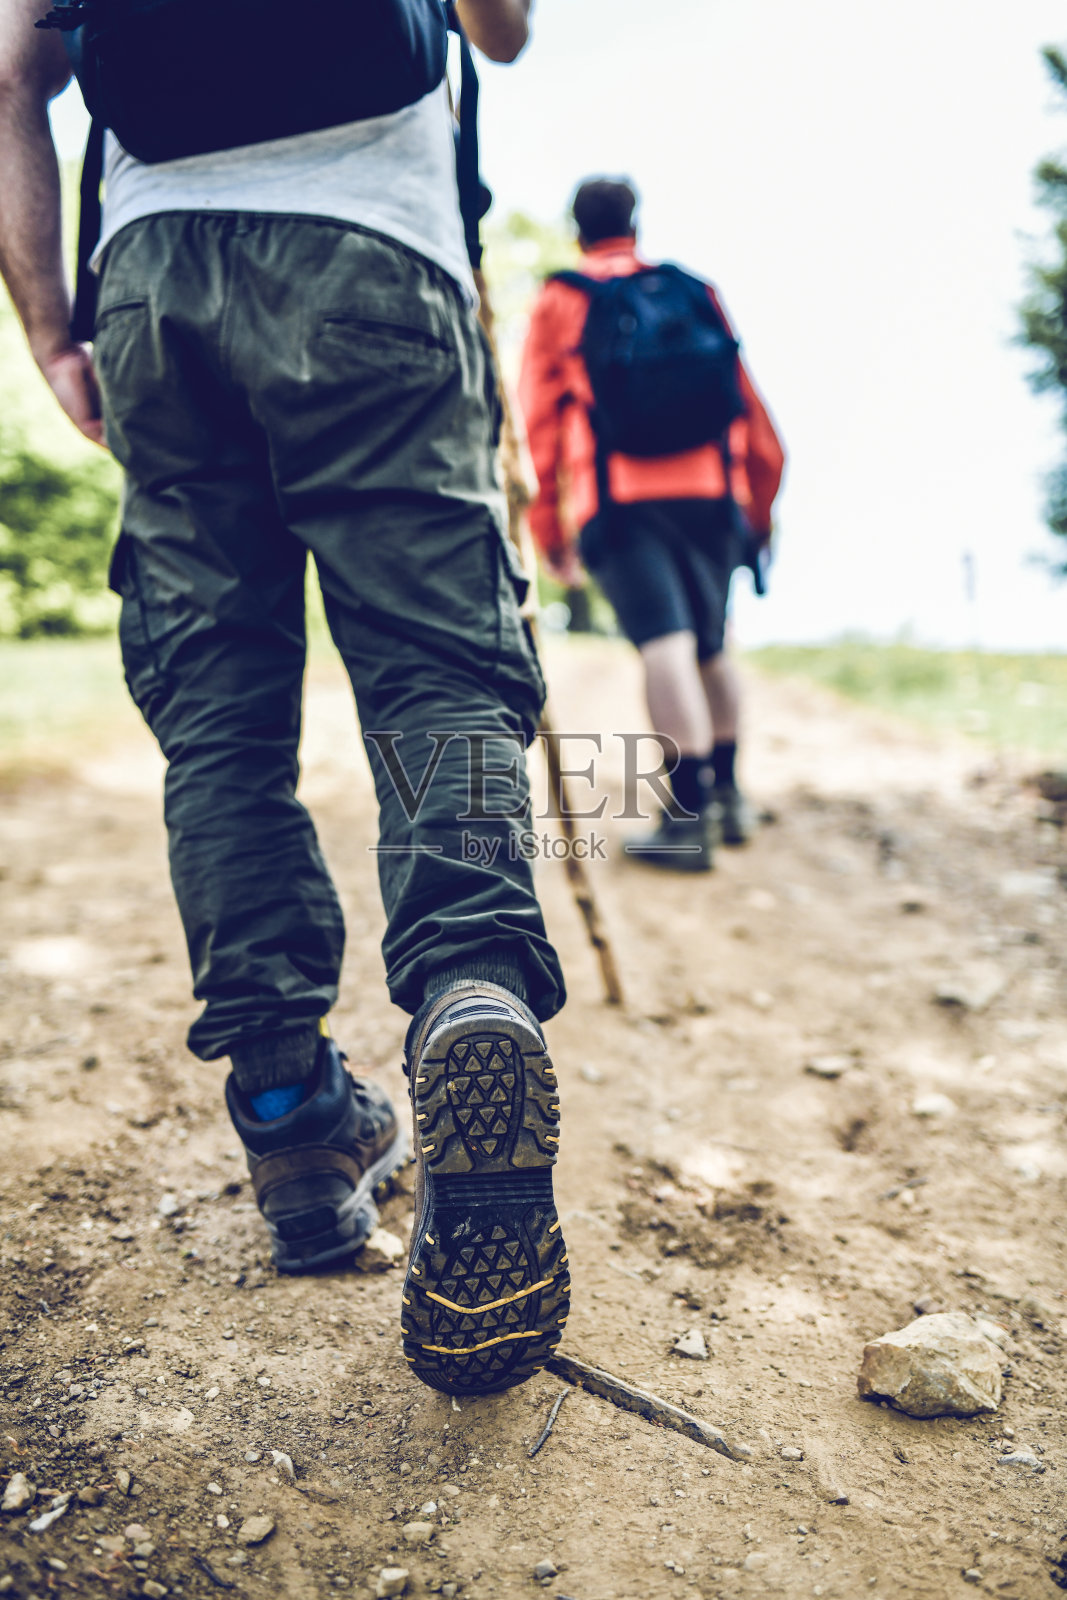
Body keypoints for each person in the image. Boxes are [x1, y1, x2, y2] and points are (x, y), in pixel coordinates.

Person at [0, 0, 570, 1398]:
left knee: (218, 717)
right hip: (374, 243)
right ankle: (472, 988)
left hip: (149, 276)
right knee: (442, 664)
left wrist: (51, 324)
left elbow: (12, 75)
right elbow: (497, 31)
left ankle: (291, 1116)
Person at [519, 177, 786, 869]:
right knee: (710, 643)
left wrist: (548, 528)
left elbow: (538, 425)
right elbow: (747, 407)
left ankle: (685, 821)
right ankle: (727, 797)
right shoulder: (692, 290)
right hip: (712, 495)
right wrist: (757, 507)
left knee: (664, 647)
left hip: (621, 501)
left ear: (576, 229)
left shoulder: (565, 299)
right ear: (633, 222)